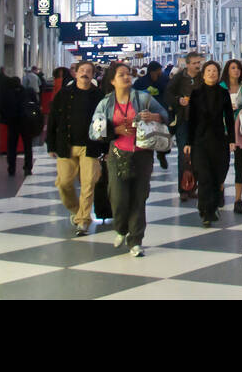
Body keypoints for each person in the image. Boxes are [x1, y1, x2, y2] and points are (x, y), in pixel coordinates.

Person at [90, 61, 167, 256]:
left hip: (142, 153)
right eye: (121, 75)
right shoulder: (106, 103)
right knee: (117, 196)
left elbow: (166, 114)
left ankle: (135, 240)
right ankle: (121, 228)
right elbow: (93, 131)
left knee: (139, 197)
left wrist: (154, 117)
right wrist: (114, 129)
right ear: (113, 81)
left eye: (128, 74)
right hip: (116, 153)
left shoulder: (143, 98)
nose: (126, 77)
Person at [47, 60, 106, 236]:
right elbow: (53, 120)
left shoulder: (98, 95)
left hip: (90, 146)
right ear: (76, 73)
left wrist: (104, 146)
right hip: (66, 145)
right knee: (64, 183)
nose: (85, 73)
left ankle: (83, 220)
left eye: (88, 71)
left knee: (88, 183)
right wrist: (50, 144)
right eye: (82, 70)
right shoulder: (64, 94)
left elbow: (103, 122)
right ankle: (77, 210)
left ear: (93, 74)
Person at [185, 60, 235, 228]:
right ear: (203, 73)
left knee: (216, 175)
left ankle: (212, 207)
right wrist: (188, 142)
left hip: (218, 139)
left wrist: (232, 140)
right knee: (204, 176)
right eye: (209, 71)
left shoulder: (223, 93)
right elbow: (190, 119)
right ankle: (205, 210)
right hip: (200, 140)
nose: (212, 73)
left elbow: (229, 118)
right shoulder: (196, 93)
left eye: (214, 71)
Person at [166, 52, 204, 200]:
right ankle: (183, 188)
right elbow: (168, 94)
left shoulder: (202, 78)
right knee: (184, 154)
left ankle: (194, 186)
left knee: (197, 154)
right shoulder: (179, 78)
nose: (197, 66)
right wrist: (178, 100)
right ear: (187, 64)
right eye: (194, 63)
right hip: (183, 121)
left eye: (198, 63)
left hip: (199, 121)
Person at [221, 58, 242, 215]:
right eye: (233, 68)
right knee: (222, 164)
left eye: (238, 68)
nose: (236, 71)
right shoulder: (220, 87)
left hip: (240, 130)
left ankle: (238, 199)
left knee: (240, 164)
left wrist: (241, 110)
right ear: (227, 70)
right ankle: (220, 190)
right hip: (224, 130)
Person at [134, 61, 172, 169]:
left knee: (164, 134)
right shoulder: (141, 82)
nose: (159, 74)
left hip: (161, 113)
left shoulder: (164, 80)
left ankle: (162, 154)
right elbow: (134, 94)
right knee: (147, 136)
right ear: (151, 72)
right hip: (146, 114)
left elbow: (170, 91)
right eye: (157, 72)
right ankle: (147, 156)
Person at [0, 70, 33, 176]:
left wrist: (6, 118)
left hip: (12, 123)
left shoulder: (6, 95)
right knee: (27, 146)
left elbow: (0, 108)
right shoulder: (27, 92)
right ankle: (28, 167)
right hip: (26, 123)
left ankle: (11, 168)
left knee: (11, 146)